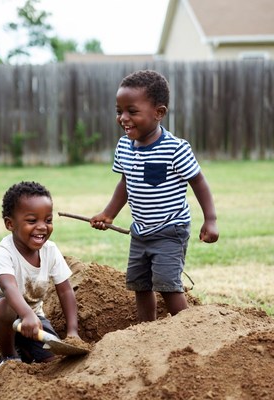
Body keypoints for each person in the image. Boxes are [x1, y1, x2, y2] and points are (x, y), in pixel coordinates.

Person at [90, 70, 219, 323]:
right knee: (141, 284)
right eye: (119, 111)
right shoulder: (124, 147)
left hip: (171, 229)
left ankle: (188, 330)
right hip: (140, 231)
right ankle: (146, 332)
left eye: (132, 111)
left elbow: (199, 182)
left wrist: (211, 219)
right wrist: (108, 214)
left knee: (167, 284)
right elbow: (125, 184)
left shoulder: (175, 148)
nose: (123, 118)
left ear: (158, 113)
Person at [0, 181, 80, 366]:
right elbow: (9, 287)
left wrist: (72, 331)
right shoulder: (3, 251)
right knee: (5, 307)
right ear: (10, 224)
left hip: (33, 316)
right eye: (32, 221)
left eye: (48, 220)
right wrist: (25, 314)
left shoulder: (51, 250)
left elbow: (65, 291)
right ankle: (9, 356)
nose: (42, 227)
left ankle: (24, 348)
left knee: (51, 360)